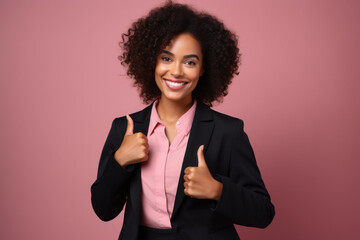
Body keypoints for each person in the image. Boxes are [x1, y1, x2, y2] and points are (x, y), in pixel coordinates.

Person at [91, 1, 275, 239]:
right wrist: (120, 161)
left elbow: (263, 213)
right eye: (166, 58)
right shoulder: (125, 128)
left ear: (203, 69)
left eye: (189, 62)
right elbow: (103, 209)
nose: (176, 71)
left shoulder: (228, 132)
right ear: (151, 61)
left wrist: (217, 190)